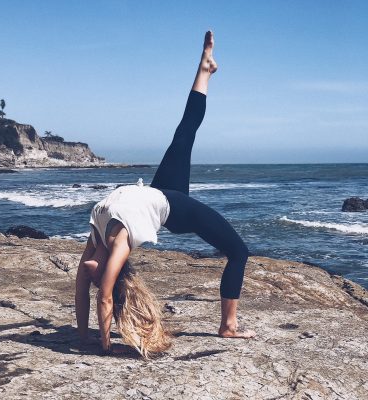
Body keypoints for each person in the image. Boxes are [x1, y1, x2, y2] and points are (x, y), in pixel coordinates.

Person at [75, 30, 256, 359]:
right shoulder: (117, 245)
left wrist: (84, 335)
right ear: (106, 274)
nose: (85, 272)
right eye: (93, 275)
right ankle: (228, 326)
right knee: (239, 252)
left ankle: (204, 69)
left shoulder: (96, 233)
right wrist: (103, 345)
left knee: (184, 133)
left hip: (157, 193)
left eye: (87, 273)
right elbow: (102, 296)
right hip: (173, 208)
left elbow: (82, 294)